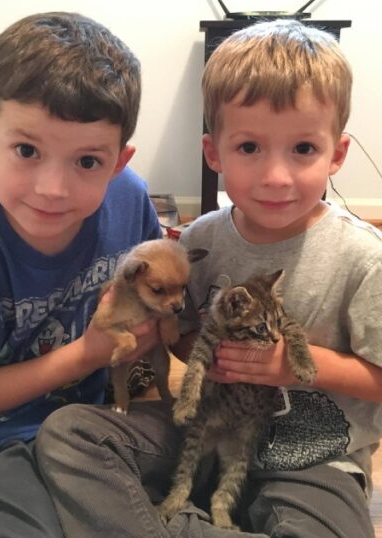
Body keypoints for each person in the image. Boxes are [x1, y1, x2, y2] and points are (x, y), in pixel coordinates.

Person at [36, 19, 382, 537]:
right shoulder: (199, 241)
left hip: (311, 461)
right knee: (68, 435)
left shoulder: (363, 257)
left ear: (336, 154)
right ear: (214, 153)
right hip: (198, 430)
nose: (275, 176)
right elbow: (182, 332)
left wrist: (297, 365)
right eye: (249, 148)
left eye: (303, 149)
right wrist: (194, 347)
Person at [0, 11, 162, 536]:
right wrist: (83, 356)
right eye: (27, 151)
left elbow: (155, 300)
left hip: (93, 425)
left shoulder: (129, 200)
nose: (53, 189)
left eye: (87, 162)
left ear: (119, 162)